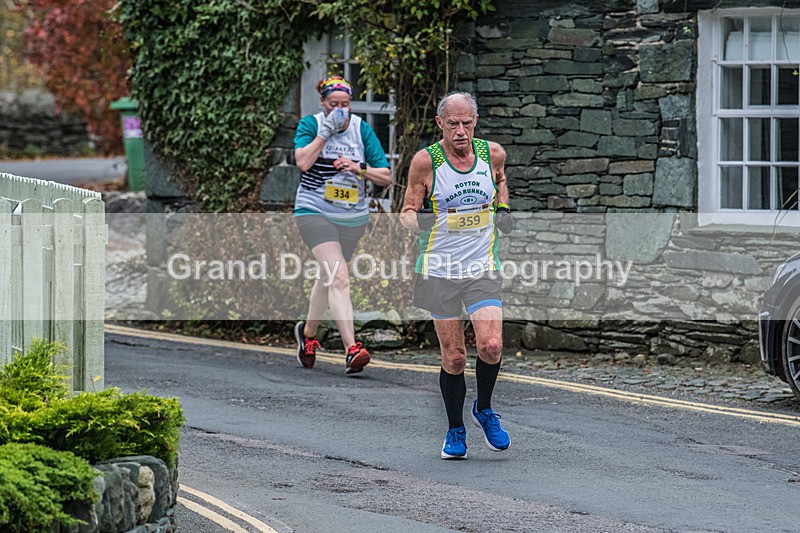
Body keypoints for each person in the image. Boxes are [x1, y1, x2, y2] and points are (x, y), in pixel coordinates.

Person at [400, 91, 515, 459]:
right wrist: (418, 222)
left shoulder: (491, 154)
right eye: (453, 124)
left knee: (492, 345)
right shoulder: (425, 162)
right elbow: (406, 210)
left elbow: (499, 180)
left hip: (482, 266)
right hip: (440, 270)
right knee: (454, 357)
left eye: (467, 123)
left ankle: (484, 409)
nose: (461, 131)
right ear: (440, 125)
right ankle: (455, 430)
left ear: (475, 122)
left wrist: (504, 208)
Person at [292, 75, 392, 374]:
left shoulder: (362, 130)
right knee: (338, 277)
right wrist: (326, 133)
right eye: (334, 105)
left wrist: (358, 168)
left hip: (352, 216)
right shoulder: (311, 125)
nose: (340, 111)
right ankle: (353, 348)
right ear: (323, 103)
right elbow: (303, 163)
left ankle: (307, 336)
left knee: (329, 278)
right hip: (314, 209)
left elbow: (385, 176)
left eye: (345, 105)